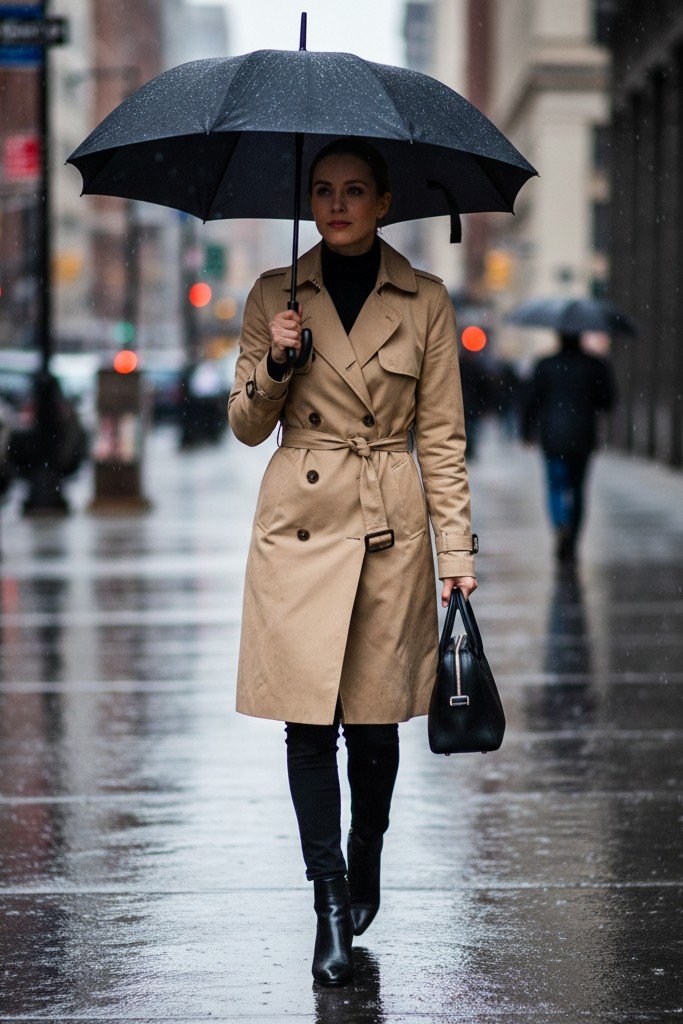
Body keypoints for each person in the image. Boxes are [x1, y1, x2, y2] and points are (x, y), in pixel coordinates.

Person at [228, 138, 477, 987]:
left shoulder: (426, 301)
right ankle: (328, 903)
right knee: (309, 723)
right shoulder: (273, 296)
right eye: (323, 190)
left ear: (381, 201)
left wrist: (457, 553)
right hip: (298, 523)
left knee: (373, 726)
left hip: (387, 528)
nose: (336, 204)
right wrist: (276, 362)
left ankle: (364, 845)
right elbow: (243, 423)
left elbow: (441, 437)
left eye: (354, 191)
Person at [521, 331, 616, 562]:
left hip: (553, 435)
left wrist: (526, 431)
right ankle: (572, 538)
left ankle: (560, 524)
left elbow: (531, 400)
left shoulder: (545, 365)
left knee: (555, 485)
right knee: (578, 488)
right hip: (583, 435)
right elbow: (608, 400)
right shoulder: (595, 365)